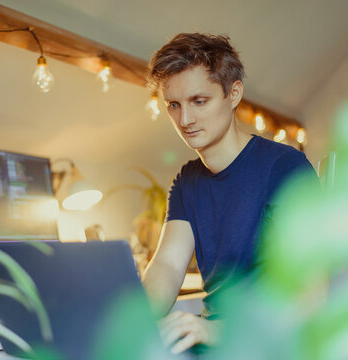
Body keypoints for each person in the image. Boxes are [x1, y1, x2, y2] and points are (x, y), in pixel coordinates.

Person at [142, 33, 316, 355]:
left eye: (199, 101)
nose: (185, 120)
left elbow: (309, 295)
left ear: (234, 94)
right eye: (173, 105)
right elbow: (166, 266)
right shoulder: (186, 181)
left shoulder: (285, 167)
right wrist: (135, 323)